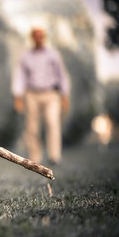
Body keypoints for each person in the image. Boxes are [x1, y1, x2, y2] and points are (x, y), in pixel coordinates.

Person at [12, 27, 70, 165]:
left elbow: (61, 75)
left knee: (52, 122)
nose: (39, 38)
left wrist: (65, 95)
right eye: (36, 36)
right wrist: (18, 96)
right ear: (32, 38)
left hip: (51, 93)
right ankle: (35, 157)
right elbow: (20, 76)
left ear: (44, 38)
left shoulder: (53, 55)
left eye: (41, 36)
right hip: (32, 94)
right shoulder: (26, 56)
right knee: (32, 127)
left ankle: (54, 156)